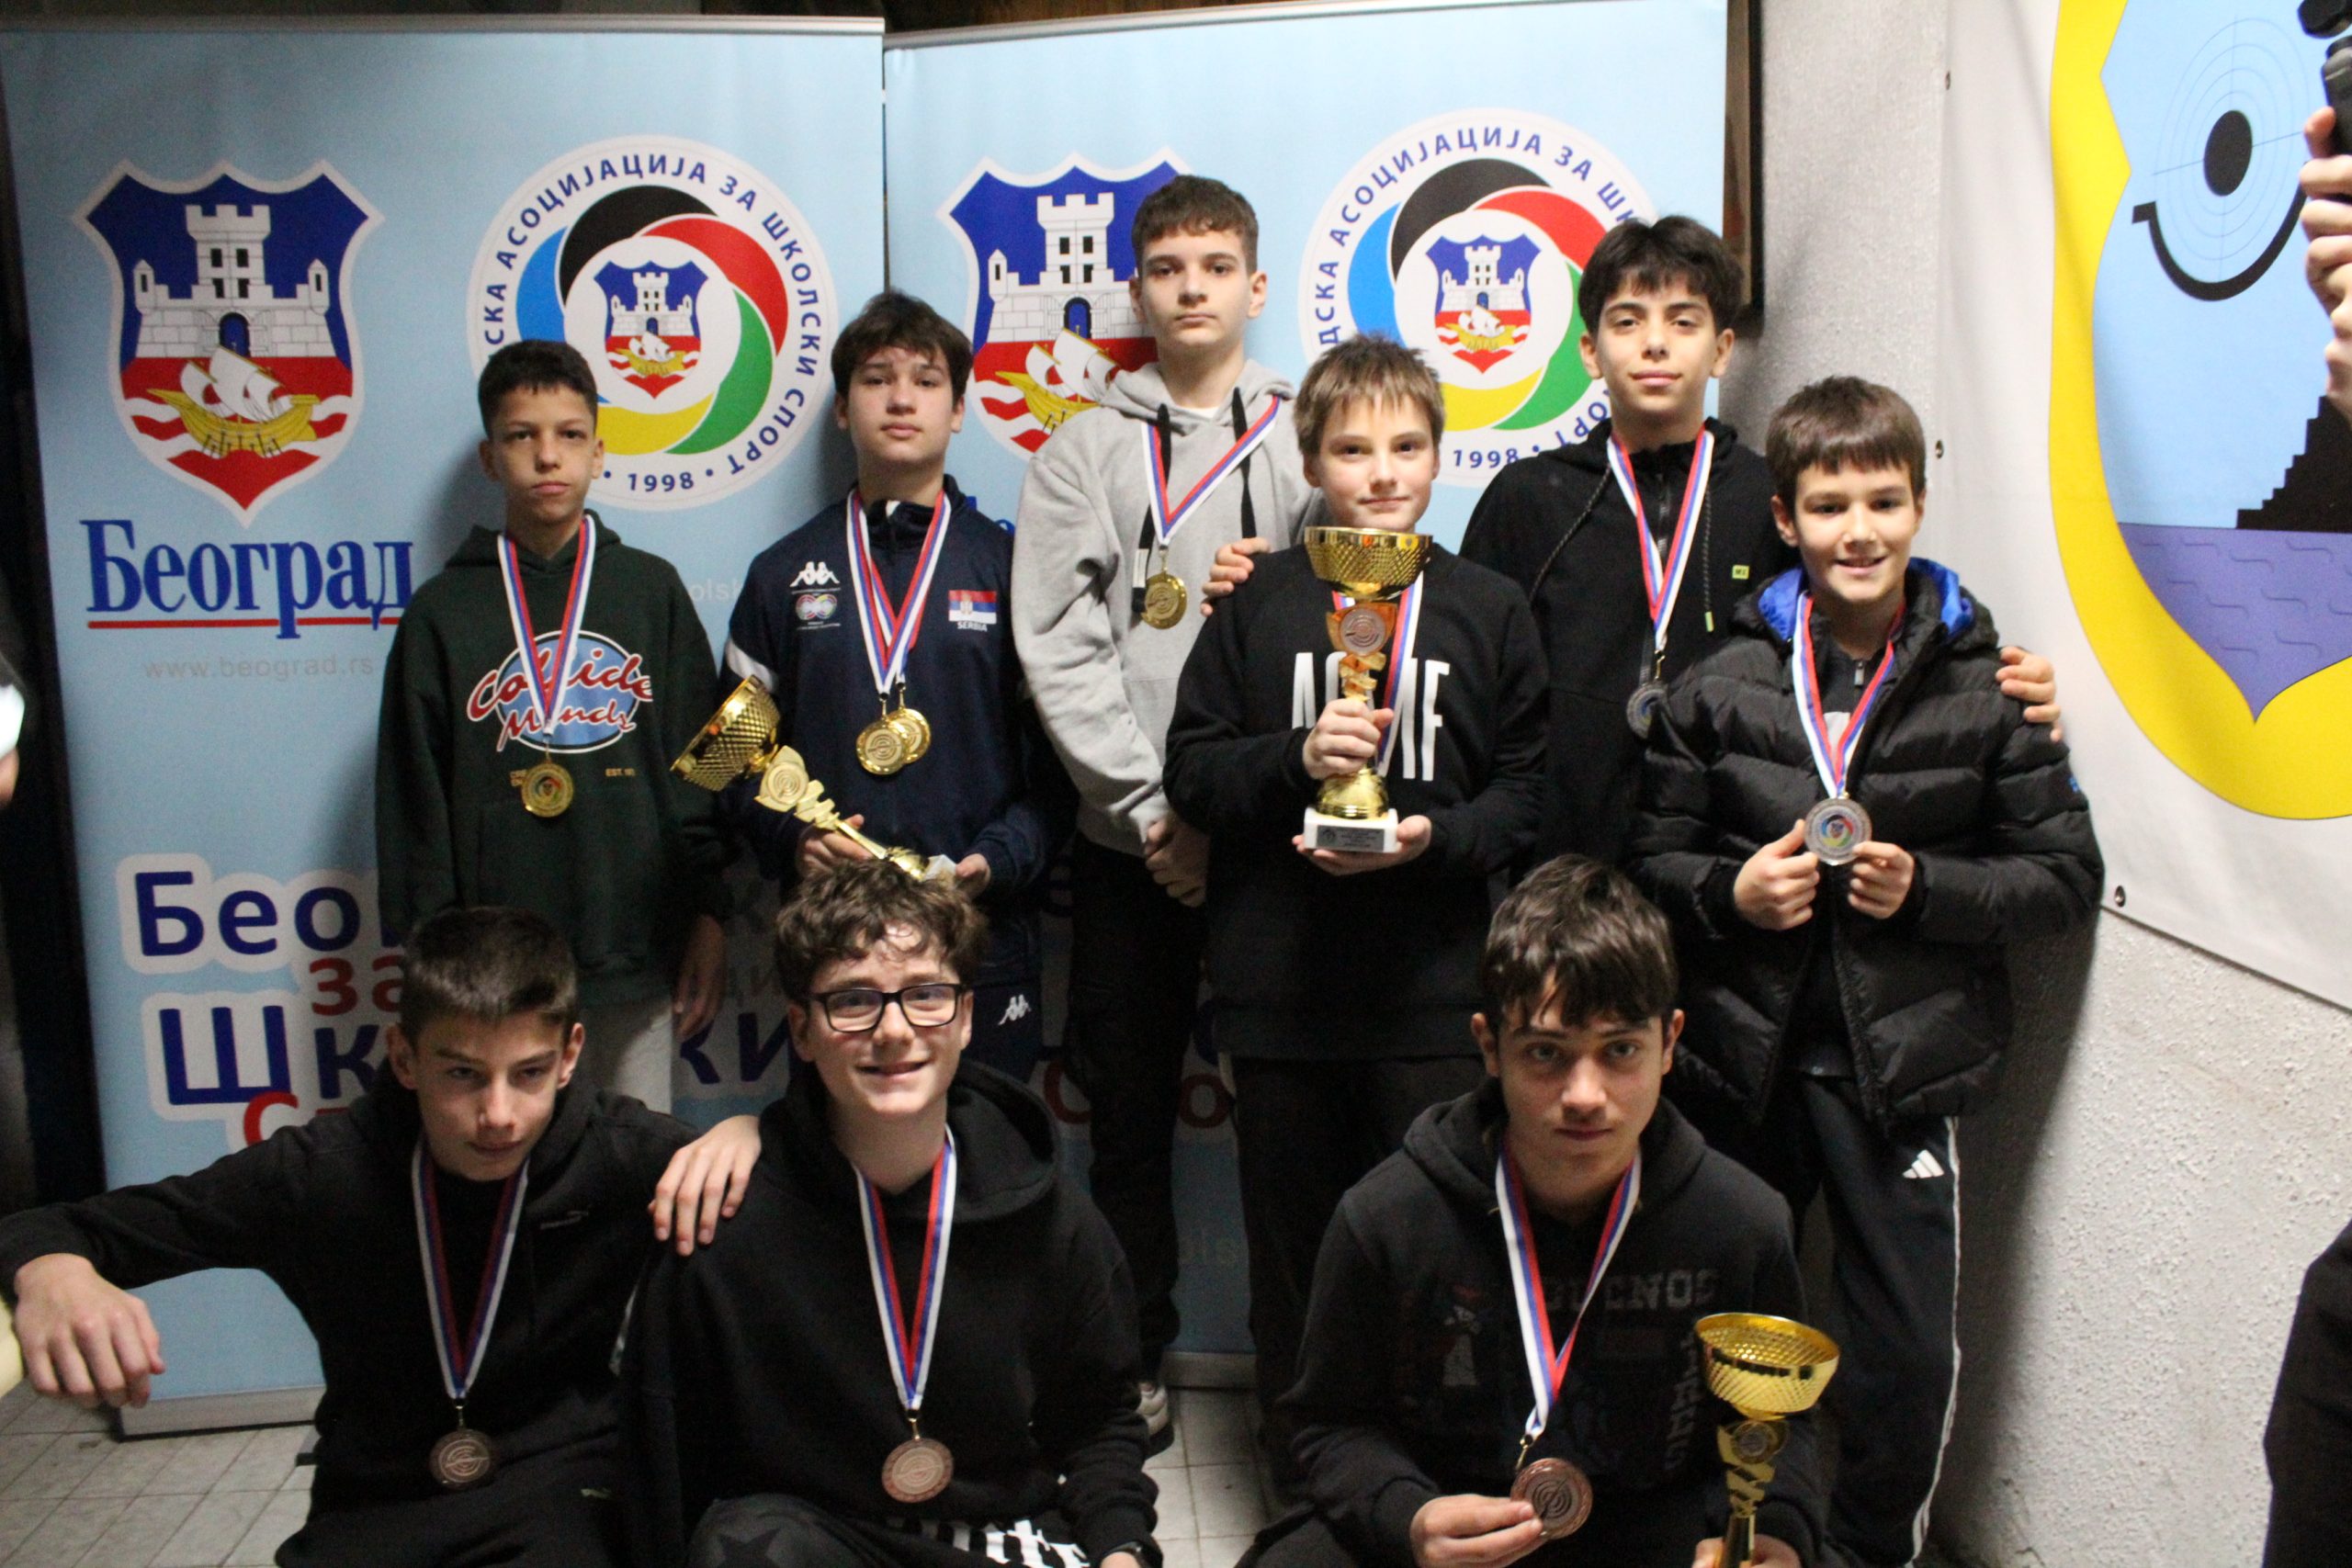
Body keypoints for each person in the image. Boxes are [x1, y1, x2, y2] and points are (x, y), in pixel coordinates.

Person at [1628, 376, 2102, 1568]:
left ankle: (1869, 1550)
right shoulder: (1720, 683)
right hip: (1741, 1061)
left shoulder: (1989, 688)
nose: (1859, 529)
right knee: (1727, 1329)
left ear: (1918, 505)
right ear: (1784, 517)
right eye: (1830, 504)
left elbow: (2063, 879)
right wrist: (1731, 894)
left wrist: (1927, 889)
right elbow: (1649, 860)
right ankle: (1729, 1535)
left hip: (1900, 1071)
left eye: (1883, 500)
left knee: (1902, 1355)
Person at [0, 906, 761, 1568]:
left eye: (528, 1073)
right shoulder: (318, 1173)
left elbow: (799, 1181)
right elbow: (59, 1225)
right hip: (375, 1494)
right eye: (462, 1074)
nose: (499, 1114)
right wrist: (50, 1269)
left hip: (560, 1481)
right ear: (404, 1056)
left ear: (569, 1057)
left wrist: (746, 1131)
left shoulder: (622, 1153)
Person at [1162, 333, 1544, 1462]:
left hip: (1432, 1001)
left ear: (1439, 455)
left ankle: (1428, 1481)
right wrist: (1295, 756)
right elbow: (1192, 773)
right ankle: (1306, 1488)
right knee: (1295, 1264)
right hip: (1282, 997)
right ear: (1310, 462)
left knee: (1440, 1260)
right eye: (1352, 449)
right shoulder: (1258, 602)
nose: (1381, 473)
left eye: (1405, 446)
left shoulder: (1489, 608)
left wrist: (1430, 840)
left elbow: (1525, 799)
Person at [1252, 856, 1823, 1568]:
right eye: (1547, 1052)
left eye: (1620, 1048)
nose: (1584, 1094)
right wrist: (1410, 1515)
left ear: (1670, 1042)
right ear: (1490, 1045)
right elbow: (1329, 1424)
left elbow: (1780, 1426)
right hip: (1458, 1529)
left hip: (1656, 1531)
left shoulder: (1742, 1222)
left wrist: (1779, 1532)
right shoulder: (1387, 1218)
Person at [1436, 215, 2057, 868]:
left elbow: (1872, 619)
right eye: (1628, 322)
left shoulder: (1774, 499)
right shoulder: (1528, 499)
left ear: (1722, 350)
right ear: (1591, 351)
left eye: (1684, 321)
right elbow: (1470, 674)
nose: (1655, 344)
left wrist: (1987, 682)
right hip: (1561, 855)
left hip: (1727, 857)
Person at [1012, 174, 1318, 1430]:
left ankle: (1303, 1378)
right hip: (1131, 844)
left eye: (1215, 265)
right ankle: (1133, 1358)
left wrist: (1286, 581)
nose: (1192, 288)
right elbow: (1059, 643)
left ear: (1256, 285)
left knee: (1290, 1120)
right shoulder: (1084, 448)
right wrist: (1151, 808)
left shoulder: (1311, 433)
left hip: (1273, 841)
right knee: (1130, 1118)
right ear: (1137, 291)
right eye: (1168, 267)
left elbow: (1353, 625)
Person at [620, 860, 1158, 1568]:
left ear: (966, 1018)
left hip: (992, 1533)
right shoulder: (726, 1223)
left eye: (927, 994)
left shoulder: (1052, 1218)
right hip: (818, 1538)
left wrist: (1121, 1549)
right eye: (853, 1000)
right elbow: (670, 1459)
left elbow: (1101, 1423)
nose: (894, 1029)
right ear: (801, 1029)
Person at [722, 289, 1070, 1081]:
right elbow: (732, 758)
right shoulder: (782, 573)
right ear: (844, 409)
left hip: (978, 930)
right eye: (877, 379)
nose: (902, 398)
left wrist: (995, 860)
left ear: (959, 409)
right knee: (838, 1150)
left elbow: (1060, 768)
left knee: (989, 1142)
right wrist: (794, 836)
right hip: (834, 939)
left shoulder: (1013, 569)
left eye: (927, 380)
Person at [377, 339, 729, 1112]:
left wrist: (711, 912)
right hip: (489, 977)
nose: (547, 456)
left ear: (599, 451)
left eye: (570, 434)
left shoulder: (651, 591)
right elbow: (413, 804)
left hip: (635, 951)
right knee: (506, 1153)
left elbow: (706, 766)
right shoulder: (442, 613)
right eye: (521, 435)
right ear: (489, 456)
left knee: (635, 1154)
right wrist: (435, 953)